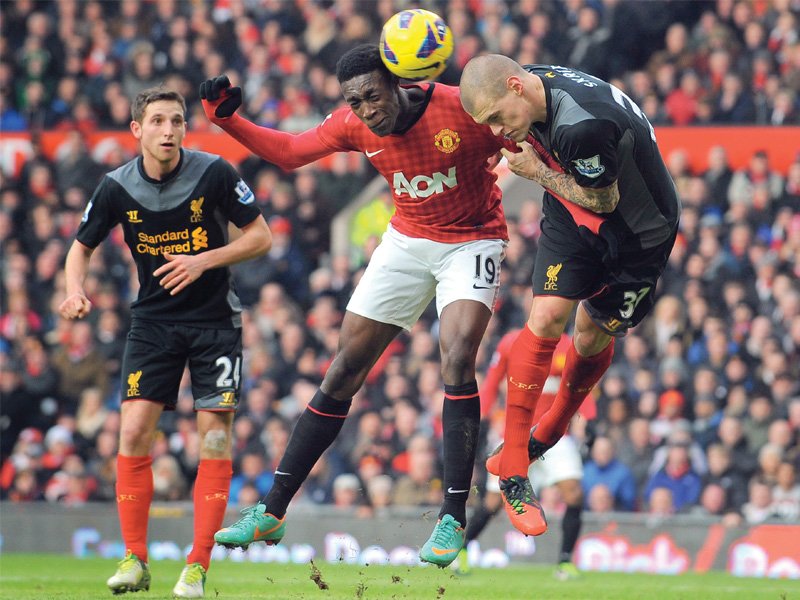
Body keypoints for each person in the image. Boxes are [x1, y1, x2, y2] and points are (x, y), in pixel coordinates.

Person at [200, 43, 512, 567]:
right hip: (407, 240)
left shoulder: (460, 106)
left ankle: (453, 517)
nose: (367, 110)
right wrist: (230, 122)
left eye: (373, 96)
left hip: (472, 240)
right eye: (355, 100)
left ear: (398, 83)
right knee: (343, 369)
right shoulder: (353, 125)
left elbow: (521, 128)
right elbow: (291, 152)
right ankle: (274, 508)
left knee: (457, 358)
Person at [59, 86, 271, 598]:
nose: (169, 130)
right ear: (137, 130)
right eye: (157, 121)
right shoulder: (115, 187)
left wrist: (203, 260)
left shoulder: (215, 172)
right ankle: (134, 559)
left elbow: (260, 236)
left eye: (177, 121)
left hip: (215, 322)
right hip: (153, 322)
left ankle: (197, 564)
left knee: (215, 439)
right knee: (131, 434)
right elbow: (79, 248)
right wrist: (73, 291)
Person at [459, 55, 680, 536]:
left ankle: (552, 429)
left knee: (590, 335)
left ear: (517, 87)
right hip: (569, 207)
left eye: (498, 117)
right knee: (543, 321)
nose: (500, 130)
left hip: (638, 234)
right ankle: (515, 465)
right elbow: (568, 184)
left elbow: (604, 200)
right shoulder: (530, 87)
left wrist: (535, 172)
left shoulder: (581, 126)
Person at [457, 330, 591, 580]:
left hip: (554, 436)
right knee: (493, 502)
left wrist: (589, 418)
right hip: (515, 432)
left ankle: (565, 561)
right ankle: (463, 549)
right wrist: (482, 416)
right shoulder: (511, 341)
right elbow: (492, 381)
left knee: (574, 493)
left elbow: (582, 384)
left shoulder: (570, 346)